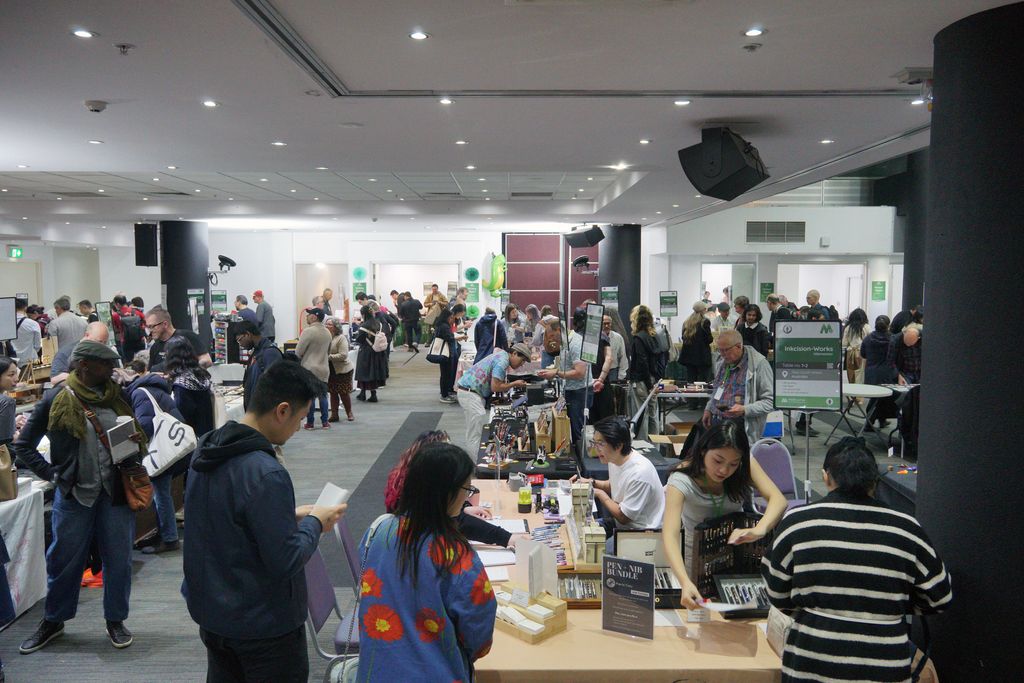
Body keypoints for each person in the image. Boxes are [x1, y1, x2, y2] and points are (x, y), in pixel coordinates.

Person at [182, 360, 347, 682]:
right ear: (282, 410)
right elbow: (286, 560)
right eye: (300, 418)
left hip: (213, 611)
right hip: (262, 624)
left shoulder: (209, 447)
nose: (299, 428)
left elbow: (226, 520)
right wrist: (314, 522)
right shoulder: (265, 472)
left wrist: (288, 514)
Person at [762, 438, 952, 683]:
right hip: (884, 666)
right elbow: (940, 596)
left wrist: (814, 608)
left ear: (826, 477)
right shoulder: (906, 527)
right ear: (874, 481)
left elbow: (775, 590)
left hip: (811, 660)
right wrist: (889, 606)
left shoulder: (798, 522)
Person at [14, 340, 145, 653]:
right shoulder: (57, 397)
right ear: (85, 366)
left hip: (114, 494)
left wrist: (134, 442)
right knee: (64, 561)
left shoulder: (117, 397)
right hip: (74, 495)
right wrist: (53, 475)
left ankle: (115, 619)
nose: (113, 370)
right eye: (106, 365)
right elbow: (23, 446)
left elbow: (135, 435)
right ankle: (54, 620)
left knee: (119, 560)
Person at [356, 442, 495, 682]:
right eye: (467, 489)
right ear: (447, 492)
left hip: (377, 671)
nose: (467, 497)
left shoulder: (377, 530)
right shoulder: (457, 555)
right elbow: (479, 637)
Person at [663, 421, 786, 608]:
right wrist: (684, 582)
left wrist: (759, 530)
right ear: (703, 451)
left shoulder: (745, 465)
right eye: (718, 461)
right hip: (697, 562)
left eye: (733, 464)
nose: (724, 470)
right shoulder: (681, 479)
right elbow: (670, 534)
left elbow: (778, 499)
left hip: (736, 561)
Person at [383, 430, 520, 548]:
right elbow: (457, 521)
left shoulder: (410, 480)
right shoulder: (439, 548)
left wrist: (464, 506)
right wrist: (507, 538)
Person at [127, 354, 186, 554]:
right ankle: (163, 532)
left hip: (160, 449)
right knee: (163, 492)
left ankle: (169, 538)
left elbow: (144, 424)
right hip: (173, 448)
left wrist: (131, 435)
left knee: (161, 493)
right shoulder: (156, 388)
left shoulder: (139, 393)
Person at [571, 416, 665, 538]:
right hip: (622, 526)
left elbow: (623, 517)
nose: (595, 448)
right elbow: (613, 485)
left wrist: (599, 494)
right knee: (577, 532)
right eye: (594, 442)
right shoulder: (615, 458)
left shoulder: (639, 473)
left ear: (618, 445)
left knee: (591, 550)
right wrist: (590, 482)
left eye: (600, 444)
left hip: (641, 535)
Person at [702, 328, 774, 447]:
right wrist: (708, 408)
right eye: (720, 350)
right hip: (716, 423)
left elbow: (770, 401)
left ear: (739, 346)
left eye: (726, 350)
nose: (722, 354)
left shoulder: (759, 365)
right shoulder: (721, 362)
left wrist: (745, 409)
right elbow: (717, 389)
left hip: (740, 427)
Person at [456, 343, 530, 454]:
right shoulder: (502, 362)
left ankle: (475, 462)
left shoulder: (502, 355)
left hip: (471, 392)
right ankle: (476, 465)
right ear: (514, 353)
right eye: (522, 360)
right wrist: (514, 384)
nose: (522, 364)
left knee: (476, 429)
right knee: (475, 432)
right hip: (470, 393)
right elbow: (495, 386)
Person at [538, 309, 592, 445]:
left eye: (551, 336)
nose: (551, 340)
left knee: (578, 430)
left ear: (558, 331)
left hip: (579, 392)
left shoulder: (575, 343)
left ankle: (581, 459)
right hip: (572, 391)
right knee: (573, 428)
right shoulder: (566, 343)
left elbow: (580, 372)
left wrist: (556, 373)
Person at [165, 337, 216, 441]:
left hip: (191, 438)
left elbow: (182, 415)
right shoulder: (200, 375)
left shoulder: (181, 384)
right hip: (207, 433)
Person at [625, 304, 661, 439]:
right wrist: (654, 381)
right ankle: (655, 446)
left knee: (640, 415)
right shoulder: (654, 336)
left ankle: (643, 446)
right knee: (653, 415)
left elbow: (642, 362)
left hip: (641, 381)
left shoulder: (639, 338)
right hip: (652, 379)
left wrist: (648, 383)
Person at [295, 307, 332, 429]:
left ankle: (310, 423)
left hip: (309, 369)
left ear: (314, 317)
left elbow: (298, 352)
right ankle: (325, 422)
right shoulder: (327, 332)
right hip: (324, 368)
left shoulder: (308, 331)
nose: (306, 317)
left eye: (308, 315)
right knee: (323, 396)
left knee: (310, 397)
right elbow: (329, 351)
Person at [235, 321, 283, 412]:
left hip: (265, 413)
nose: (240, 344)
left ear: (248, 334)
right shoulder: (257, 352)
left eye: (240, 340)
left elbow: (274, 385)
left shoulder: (270, 352)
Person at [145, 307, 212, 370]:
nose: (150, 330)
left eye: (152, 326)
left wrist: (185, 371)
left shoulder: (188, 337)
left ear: (165, 324)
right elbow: (150, 371)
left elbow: (207, 361)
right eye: (148, 327)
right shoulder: (155, 347)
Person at [861, 315, 895, 429]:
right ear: (888, 325)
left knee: (875, 398)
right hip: (887, 372)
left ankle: (879, 420)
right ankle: (870, 422)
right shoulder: (892, 339)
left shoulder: (868, 339)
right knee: (883, 397)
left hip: (871, 371)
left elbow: (863, 354)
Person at [678, 302, 713, 401]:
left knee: (691, 380)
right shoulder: (704, 322)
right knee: (702, 380)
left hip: (689, 356)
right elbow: (709, 339)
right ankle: (703, 401)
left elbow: (683, 337)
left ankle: (692, 402)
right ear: (703, 310)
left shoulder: (687, 322)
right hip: (702, 356)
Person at [355, 304, 388, 403]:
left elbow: (359, 339)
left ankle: (363, 393)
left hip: (366, 352)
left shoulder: (363, 326)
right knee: (373, 372)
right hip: (377, 352)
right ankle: (373, 394)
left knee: (364, 372)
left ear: (363, 314)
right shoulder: (378, 323)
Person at [324, 316, 354, 422]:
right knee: (332, 392)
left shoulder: (341, 338)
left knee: (344, 392)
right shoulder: (325, 337)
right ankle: (334, 414)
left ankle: (349, 413)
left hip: (343, 369)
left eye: (330, 324)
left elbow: (343, 355)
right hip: (330, 370)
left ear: (336, 327)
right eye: (326, 324)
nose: (327, 326)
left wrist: (328, 357)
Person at [434, 306, 461, 404]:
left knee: (447, 374)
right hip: (445, 354)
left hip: (447, 353)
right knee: (445, 375)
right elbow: (449, 338)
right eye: (450, 318)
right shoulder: (444, 326)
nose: (451, 320)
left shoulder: (442, 325)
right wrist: (458, 337)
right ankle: (444, 395)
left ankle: (446, 392)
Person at [111, 294, 147, 362]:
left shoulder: (115, 315)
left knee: (128, 362)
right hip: (139, 340)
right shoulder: (137, 312)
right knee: (141, 361)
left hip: (126, 342)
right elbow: (145, 323)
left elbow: (115, 328)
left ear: (118, 304)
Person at [12, 297, 42, 368]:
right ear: (25, 308)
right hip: (30, 359)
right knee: (32, 379)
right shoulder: (33, 324)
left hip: (13, 360)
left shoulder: (6, 323)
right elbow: (37, 344)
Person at [843, 307, 869, 385]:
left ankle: (852, 394)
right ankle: (860, 394)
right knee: (861, 375)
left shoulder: (848, 328)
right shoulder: (867, 327)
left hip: (850, 352)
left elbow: (844, 343)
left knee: (851, 374)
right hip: (863, 353)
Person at [603, 312, 630, 382]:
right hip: (599, 370)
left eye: (608, 323)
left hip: (613, 371)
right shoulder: (595, 337)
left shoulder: (618, 337)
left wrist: (621, 375)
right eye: (604, 323)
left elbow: (623, 356)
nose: (606, 326)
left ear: (611, 324)